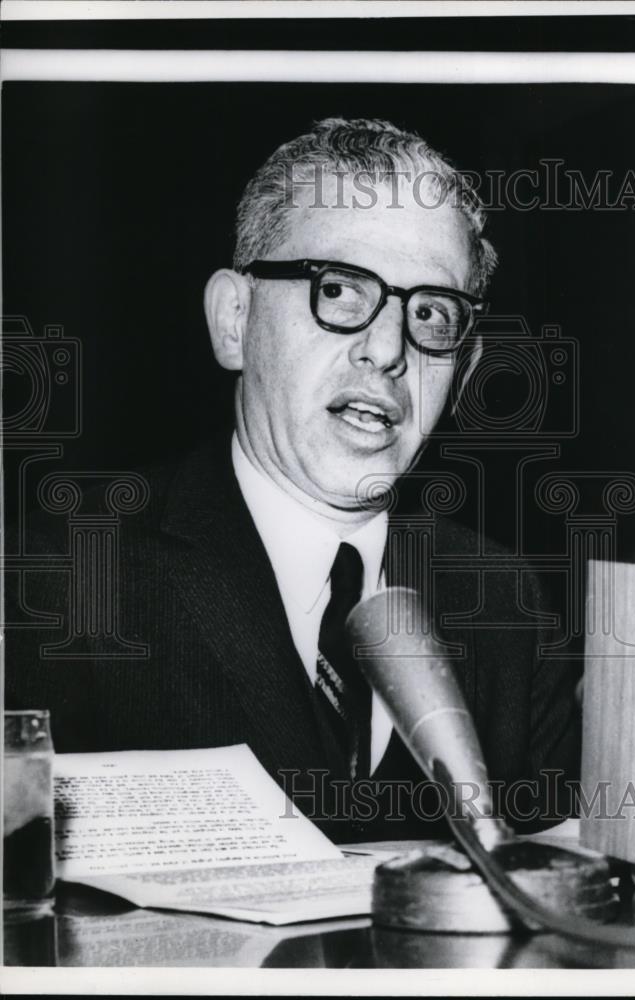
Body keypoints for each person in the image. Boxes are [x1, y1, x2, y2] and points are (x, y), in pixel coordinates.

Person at [6, 118, 580, 841]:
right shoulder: (57, 575)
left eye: (432, 312)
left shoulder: (508, 605)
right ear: (233, 320)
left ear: (462, 370)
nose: (387, 349)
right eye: (339, 290)